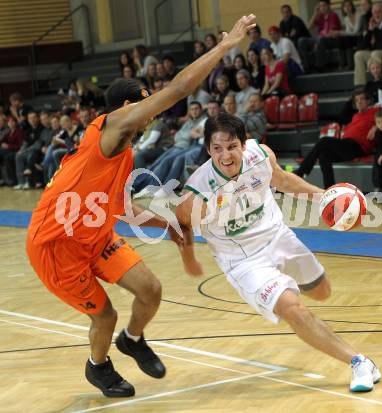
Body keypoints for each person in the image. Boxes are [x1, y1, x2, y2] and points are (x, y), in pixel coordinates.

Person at [26, 14, 257, 398]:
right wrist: (223, 46)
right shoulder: (111, 130)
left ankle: (132, 340)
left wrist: (163, 223)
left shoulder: (124, 150)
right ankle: (98, 368)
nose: (152, 109)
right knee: (104, 314)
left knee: (150, 289)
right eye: (145, 101)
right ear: (129, 107)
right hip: (56, 246)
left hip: (93, 236)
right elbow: (180, 88)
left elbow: (119, 206)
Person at [175, 112, 382, 393]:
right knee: (293, 308)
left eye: (232, 146)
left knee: (322, 292)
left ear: (244, 144)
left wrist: (327, 199)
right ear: (208, 149)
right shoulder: (198, 191)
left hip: (278, 237)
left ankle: (284, 289)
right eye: (217, 148)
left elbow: (283, 181)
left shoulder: (260, 156)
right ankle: (359, 362)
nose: (225, 155)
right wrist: (189, 260)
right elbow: (181, 226)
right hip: (244, 261)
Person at [295, 89, 378, 188]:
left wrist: (376, 127)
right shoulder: (356, 116)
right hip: (346, 146)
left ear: (368, 101)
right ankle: (330, 188)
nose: (359, 102)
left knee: (324, 141)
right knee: (324, 155)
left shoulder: (375, 111)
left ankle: (301, 171)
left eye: (362, 99)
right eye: (357, 100)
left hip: (358, 146)